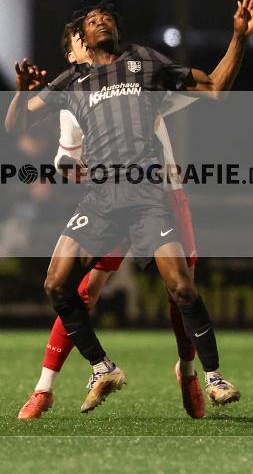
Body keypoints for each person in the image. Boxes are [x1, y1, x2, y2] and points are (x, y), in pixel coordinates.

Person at [5, 0, 253, 413]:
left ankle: (209, 376)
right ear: (80, 43)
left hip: (151, 195)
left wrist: (239, 37)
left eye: (106, 16)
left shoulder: (143, 64)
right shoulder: (72, 83)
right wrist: (20, 92)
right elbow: (17, 124)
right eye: (90, 21)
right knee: (58, 284)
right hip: (102, 200)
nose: (100, 21)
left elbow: (215, 87)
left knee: (181, 288)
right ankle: (95, 369)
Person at [17, 26, 204, 420]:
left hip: (163, 194)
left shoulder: (136, 76)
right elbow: (63, 158)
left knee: (181, 290)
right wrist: (74, 170)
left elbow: (191, 90)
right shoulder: (72, 96)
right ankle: (44, 388)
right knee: (82, 289)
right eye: (78, 41)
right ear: (72, 56)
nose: (88, 42)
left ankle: (188, 372)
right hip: (110, 202)